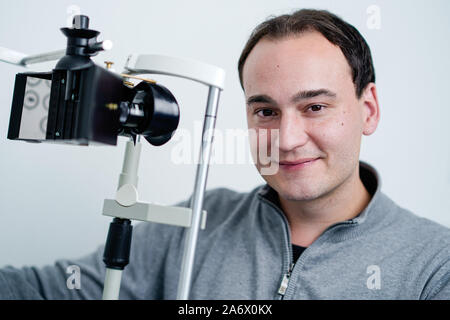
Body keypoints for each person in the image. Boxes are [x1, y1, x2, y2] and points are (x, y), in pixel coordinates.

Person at [1, 8, 449, 300]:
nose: (288, 138)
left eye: (315, 106)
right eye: (266, 110)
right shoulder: (202, 221)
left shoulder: (433, 265)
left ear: (367, 110)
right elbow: (50, 290)